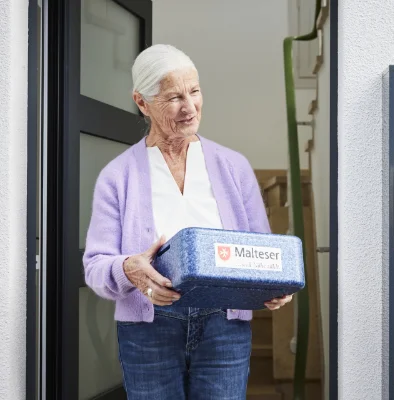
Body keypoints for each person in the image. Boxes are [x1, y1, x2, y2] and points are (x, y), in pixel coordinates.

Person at [82, 44, 293, 399]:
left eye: (194, 91)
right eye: (174, 97)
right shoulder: (117, 175)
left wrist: (273, 283)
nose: (190, 107)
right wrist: (128, 268)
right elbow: (95, 267)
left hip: (223, 324)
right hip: (149, 328)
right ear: (142, 102)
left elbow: (263, 248)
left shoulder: (233, 167)